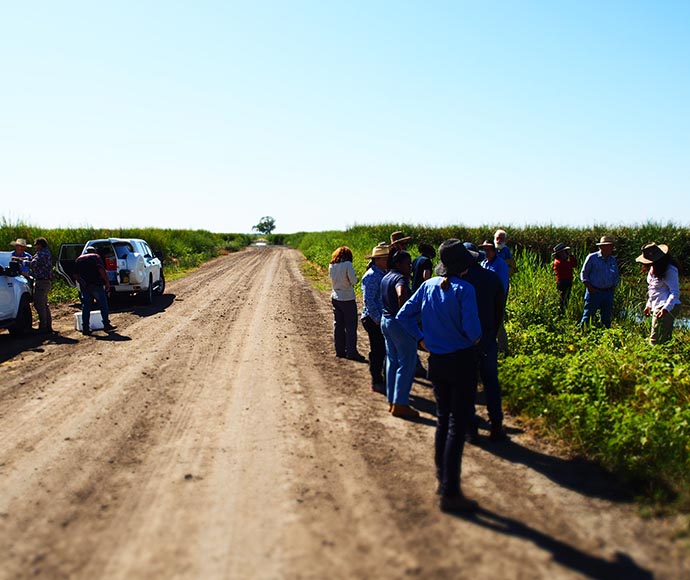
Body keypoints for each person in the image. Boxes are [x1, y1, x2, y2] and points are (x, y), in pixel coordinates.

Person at [396, 240, 482, 513]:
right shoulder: (465, 289)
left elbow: (403, 315)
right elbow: (473, 331)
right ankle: (450, 490)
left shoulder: (428, 285)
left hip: (437, 362)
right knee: (458, 423)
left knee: (444, 420)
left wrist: (422, 340)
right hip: (461, 361)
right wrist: (476, 337)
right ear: (464, 266)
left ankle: (440, 477)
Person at [462, 242, 506, 442]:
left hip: (466, 340)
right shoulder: (493, 278)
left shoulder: (460, 281)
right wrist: (491, 331)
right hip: (488, 337)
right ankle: (496, 425)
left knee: (468, 383)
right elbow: (499, 312)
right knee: (491, 382)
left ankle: (471, 428)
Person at [380, 250, 419, 418]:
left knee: (393, 361)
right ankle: (401, 404)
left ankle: (392, 401)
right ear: (398, 264)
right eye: (407, 263)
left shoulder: (386, 276)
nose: (410, 266)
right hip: (399, 324)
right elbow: (401, 293)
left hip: (386, 321)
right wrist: (406, 315)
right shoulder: (400, 279)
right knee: (407, 363)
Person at [635, 242, 682, 344]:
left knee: (655, 340)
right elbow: (654, 291)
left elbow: (675, 293)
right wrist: (649, 305)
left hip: (667, 306)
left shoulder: (670, 270)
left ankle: (654, 358)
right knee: (664, 339)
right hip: (658, 306)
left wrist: (665, 309)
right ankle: (666, 356)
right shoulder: (653, 268)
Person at [361, 243, 389, 392]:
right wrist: (378, 319)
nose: (387, 260)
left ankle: (381, 378)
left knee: (382, 350)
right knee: (378, 350)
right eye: (385, 258)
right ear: (377, 259)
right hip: (373, 319)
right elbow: (369, 301)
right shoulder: (372, 276)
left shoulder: (381, 273)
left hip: (378, 318)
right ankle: (376, 380)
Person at [328, 246, 365, 361]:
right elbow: (353, 281)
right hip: (347, 298)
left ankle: (340, 350)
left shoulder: (332, 265)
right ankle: (351, 352)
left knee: (338, 325)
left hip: (335, 296)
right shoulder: (348, 264)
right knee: (350, 327)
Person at [74, 246, 116, 335]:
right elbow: (101, 270)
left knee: (86, 307)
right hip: (97, 285)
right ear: (94, 251)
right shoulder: (96, 257)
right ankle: (106, 324)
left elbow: (76, 275)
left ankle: (85, 327)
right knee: (103, 305)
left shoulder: (79, 259)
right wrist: (107, 282)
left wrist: (83, 283)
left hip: (85, 287)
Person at [580, 236, 619, 328]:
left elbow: (616, 275)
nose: (611, 248)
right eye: (609, 246)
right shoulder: (592, 258)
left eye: (611, 246)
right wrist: (590, 288)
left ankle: (606, 336)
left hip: (608, 292)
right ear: (602, 247)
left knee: (606, 317)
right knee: (588, 316)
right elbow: (584, 274)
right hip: (594, 292)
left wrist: (613, 287)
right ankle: (582, 334)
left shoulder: (612, 259)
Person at [479, 239, 509, 353]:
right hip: (485, 298)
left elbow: (502, 284)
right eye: (484, 249)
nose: (486, 252)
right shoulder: (483, 263)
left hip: (496, 298)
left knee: (498, 322)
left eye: (488, 249)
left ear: (494, 251)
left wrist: (497, 299)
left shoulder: (501, 264)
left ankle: (503, 349)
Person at [27, 238, 53, 333]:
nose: (35, 247)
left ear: (40, 245)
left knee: (39, 304)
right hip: (45, 281)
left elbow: (33, 264)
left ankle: (43, 327)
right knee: (44, 304)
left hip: (41, 282)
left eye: (36, 245)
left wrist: (23, 262)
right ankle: (48, 326)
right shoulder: (45, 252)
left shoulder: (41, 253)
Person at [552, 242, 577, 313]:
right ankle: (561, 312)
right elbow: (570, 265)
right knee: (562, 299)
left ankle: (563, 312)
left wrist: (571, 256)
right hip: (562, 282)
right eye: (564, 252)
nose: (566, 253)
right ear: (560, 253)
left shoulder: (563, 261)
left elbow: (574, 264)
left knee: (566, 298)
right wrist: (569, 257)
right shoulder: (558, 262)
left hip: (567, 281)